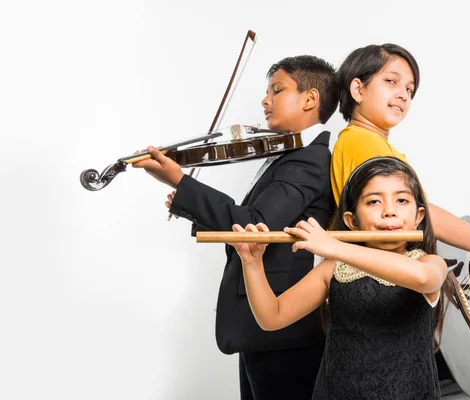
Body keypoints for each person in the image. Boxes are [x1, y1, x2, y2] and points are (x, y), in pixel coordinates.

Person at [132, 55, 338, 400]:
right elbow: (257, 218)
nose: (265, 100)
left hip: (282, 329)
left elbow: (256, 224)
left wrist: (182, 183)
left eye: (277, 89)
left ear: (310, 99)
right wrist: (189, 202)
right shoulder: (294, 155)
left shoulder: (310, 159)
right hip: (263, 326)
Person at [231, 156, 449, 399]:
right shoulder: (335, 269)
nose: (389, 211)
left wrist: (333, 246)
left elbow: (423, 279)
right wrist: (252, 263)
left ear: (419, 217)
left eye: (402, 200)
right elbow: (272, 317)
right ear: (352, 221)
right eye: (374, 201)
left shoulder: (428, 263)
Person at [330, 43, 470, 299]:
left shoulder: (370, 143)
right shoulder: (362, 140)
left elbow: (414, 223)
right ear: (358, 89)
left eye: (409, 89)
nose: (403, 95)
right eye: (391, 81)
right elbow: (428, 214)